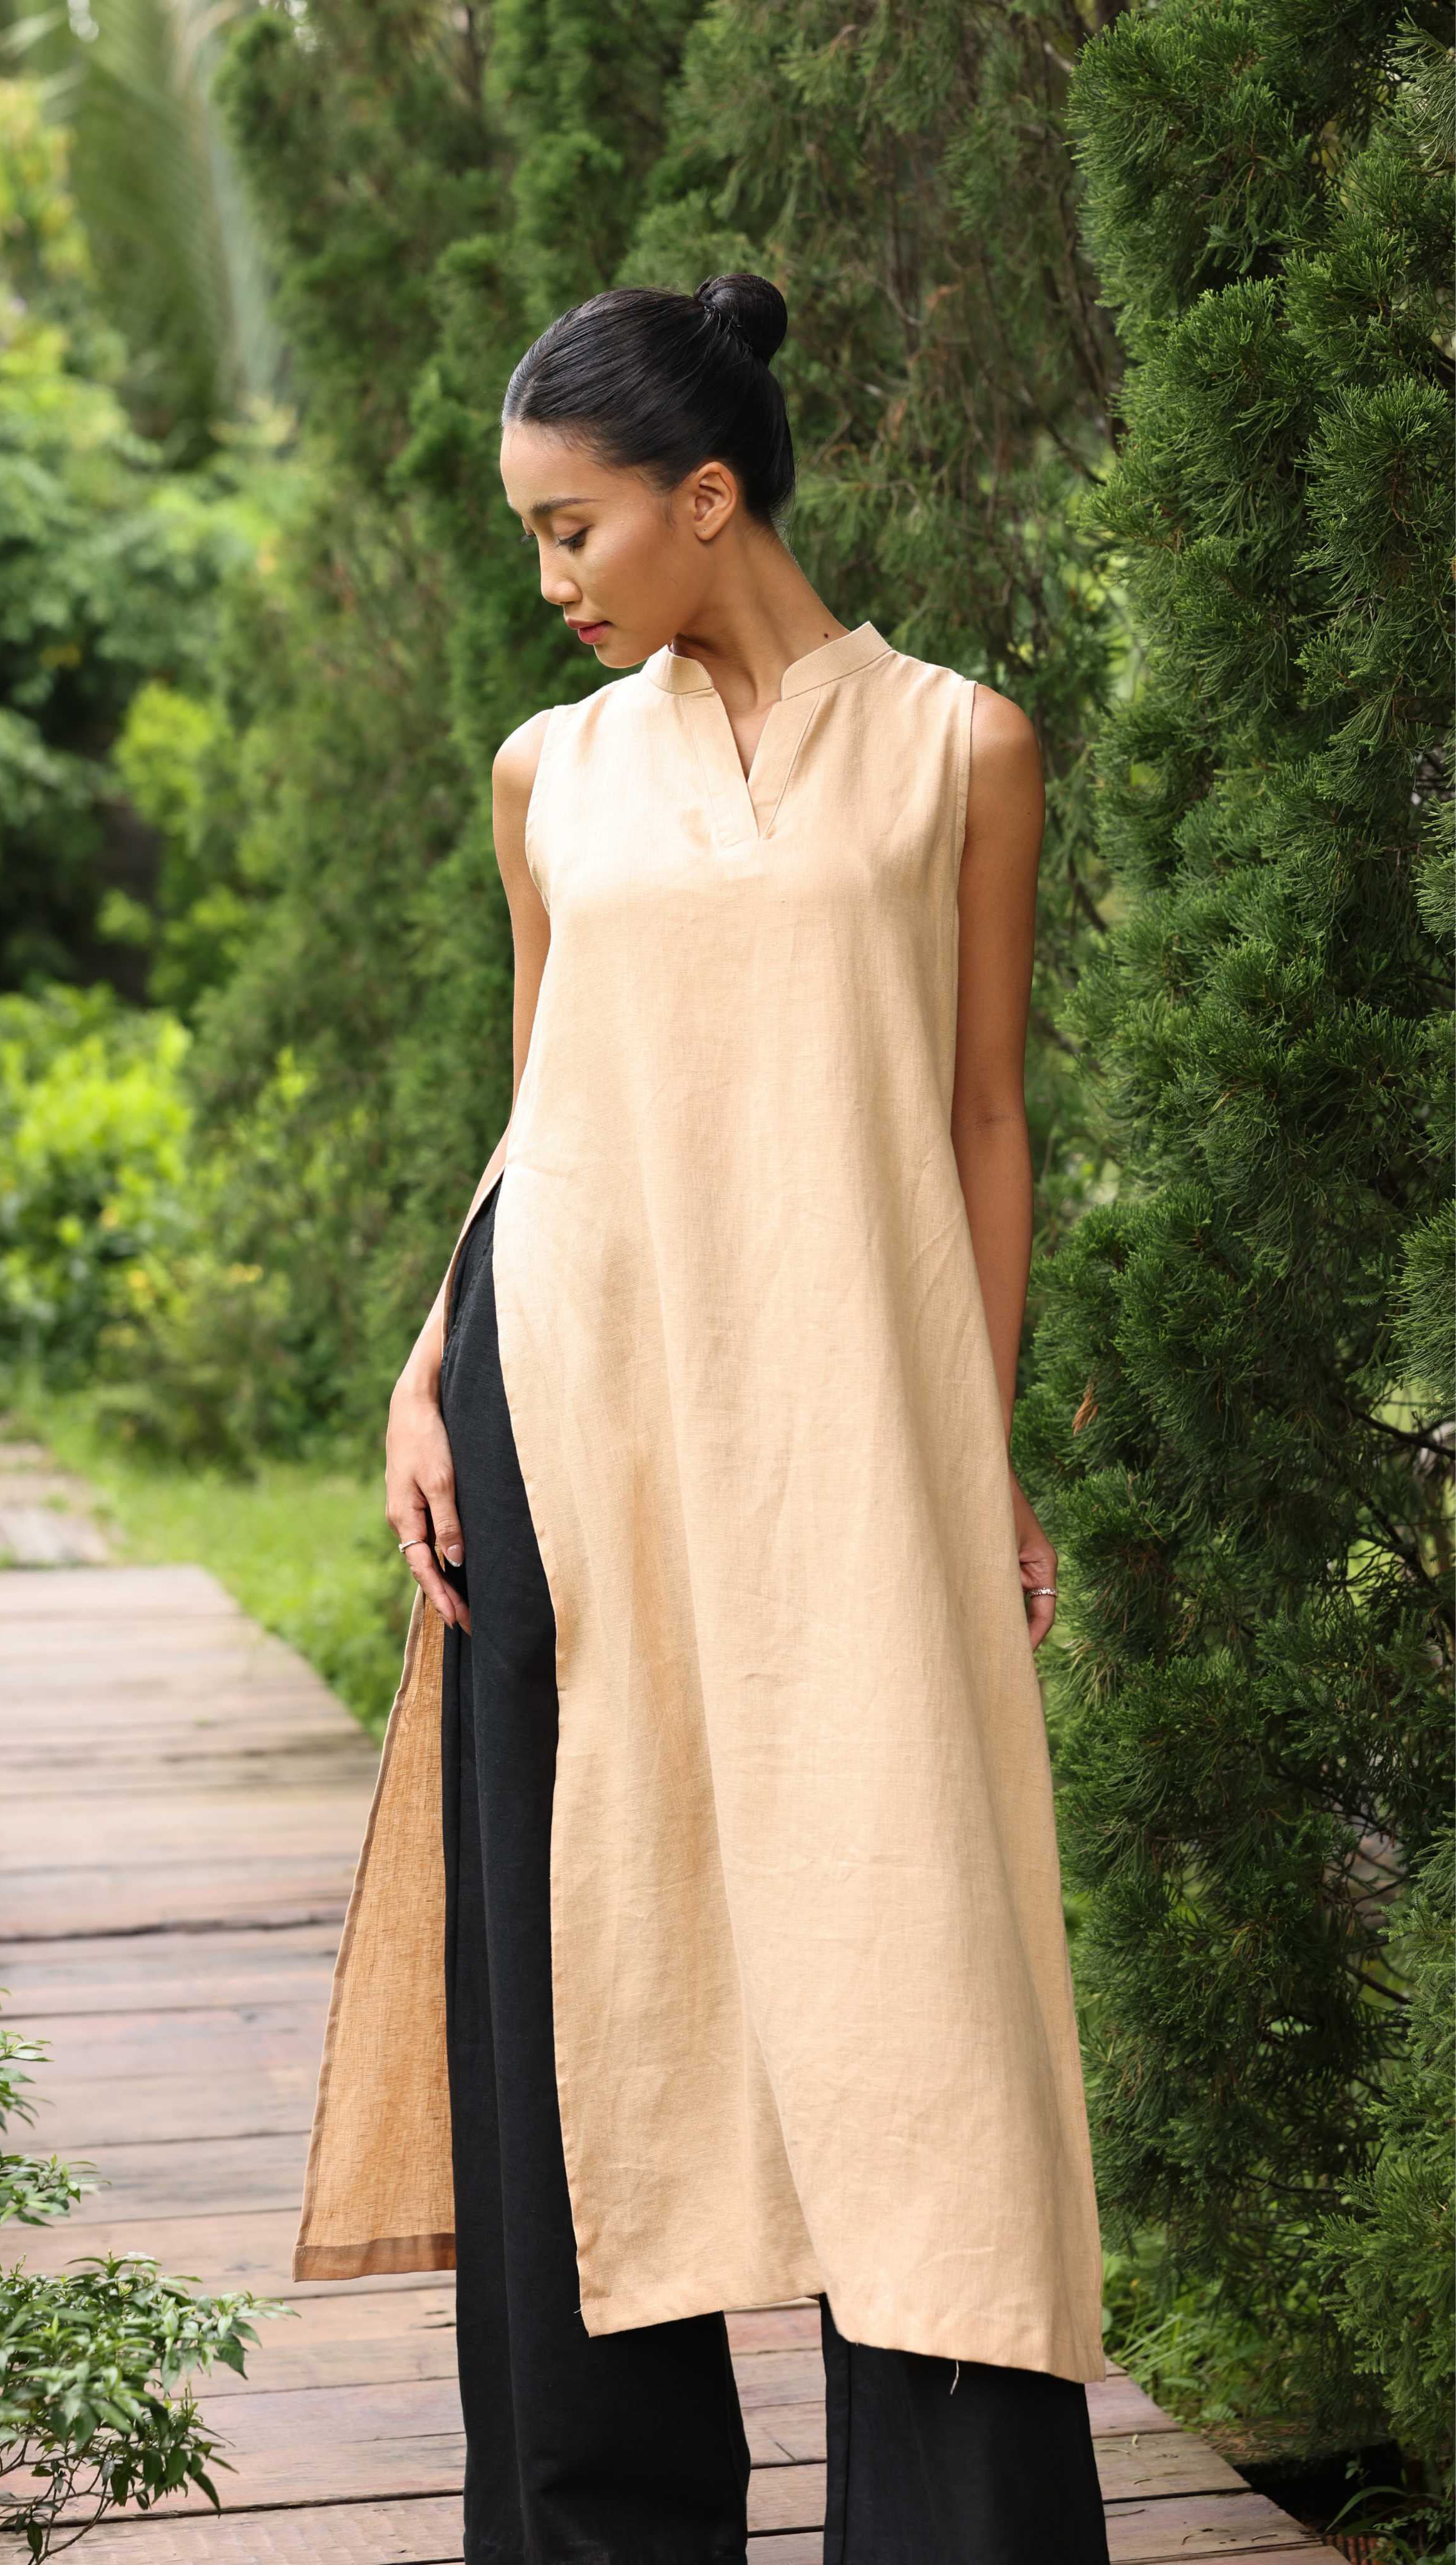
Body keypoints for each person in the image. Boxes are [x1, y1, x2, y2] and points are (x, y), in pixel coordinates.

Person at [304, 271, 1112, 2564]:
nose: (548, 581)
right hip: (564, 1416)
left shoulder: (958, 747)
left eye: (569, 532)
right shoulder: (547, 774)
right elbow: (548, 1103)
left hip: (845, 1431)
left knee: (913, 1976)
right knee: (578, 1985)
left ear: (708, 495)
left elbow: (977, 1122)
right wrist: (424, 1367)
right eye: (532, 539)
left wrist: (974, 1440)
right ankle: (597, 2535)